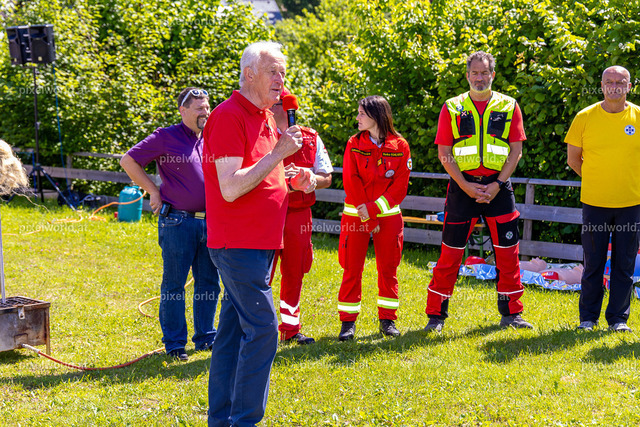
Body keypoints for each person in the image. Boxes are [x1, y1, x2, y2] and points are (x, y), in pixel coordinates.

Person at [202, 41, 311, 427]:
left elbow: (262, 174)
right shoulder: (228, 116)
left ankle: (222, 420)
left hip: (261, 244)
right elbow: (231, 186)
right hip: (238, 244)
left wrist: (293, 180)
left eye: (283, 72)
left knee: (232, 336)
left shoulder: (264, 116)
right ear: (249, 74)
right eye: (273, 72)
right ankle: (244, 421)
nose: (281, 80)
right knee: (265, 328)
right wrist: (279, 153)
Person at [424, 51, 533, 332]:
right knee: (450, 254)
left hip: (499, 188)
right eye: (475, 73)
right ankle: (436, 316)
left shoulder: (509, 105)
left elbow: (516, 151)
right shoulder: (452, 107)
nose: (480, 78)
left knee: (507, 254)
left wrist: (497, 184)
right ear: (467, 75)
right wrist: (465, 186)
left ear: (493, 74)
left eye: (484, 72)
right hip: (462, 188)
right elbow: (444, 152)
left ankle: (512, 314)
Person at [120, 87, 221, 361]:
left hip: (210, 222)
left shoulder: (211, 137)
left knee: (209, 283)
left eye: (207, 107)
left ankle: (206, 338)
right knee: (174, 286)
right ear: (183, 111)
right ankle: (175, 345)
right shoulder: (165, 136)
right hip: (178, 222)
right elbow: (128, 160)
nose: (205, 112)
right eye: (199, 108)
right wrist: (153, 191)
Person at [566, 65, 640, 332]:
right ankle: (588, 318)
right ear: (601, 85)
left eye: (620, 82)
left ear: (629, 86)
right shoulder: (584, 117)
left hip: (631, 204)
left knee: (624, 264)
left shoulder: (638, 116)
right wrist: (598, 179)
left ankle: (618, 319)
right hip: (595, 203)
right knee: (593, 263)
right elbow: (574, 159)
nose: (614, 86)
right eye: (609, 81)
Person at [337, 95, 411, 341]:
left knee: (388, 269)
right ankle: (347, 324)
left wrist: (374, 209)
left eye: (361, 113)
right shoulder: (353, 143)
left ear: (376, 116)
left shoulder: (400, 146)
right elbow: (351, 180)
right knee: (351, 269)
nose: (357, 118)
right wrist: (367, 216)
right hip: (355, 217)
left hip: (388, 218)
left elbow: (400, 186)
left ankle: (387, 321)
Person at [270, 89, 333, 345]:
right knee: (261, 272)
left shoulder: (310, 137)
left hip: (299, 215)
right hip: (267, 213)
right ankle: (254, 329)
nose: (270, 108)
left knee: (295, 271)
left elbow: (326, 177)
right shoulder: (260, 135)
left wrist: (310, 179)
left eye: (276, 104)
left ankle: (290, 329)